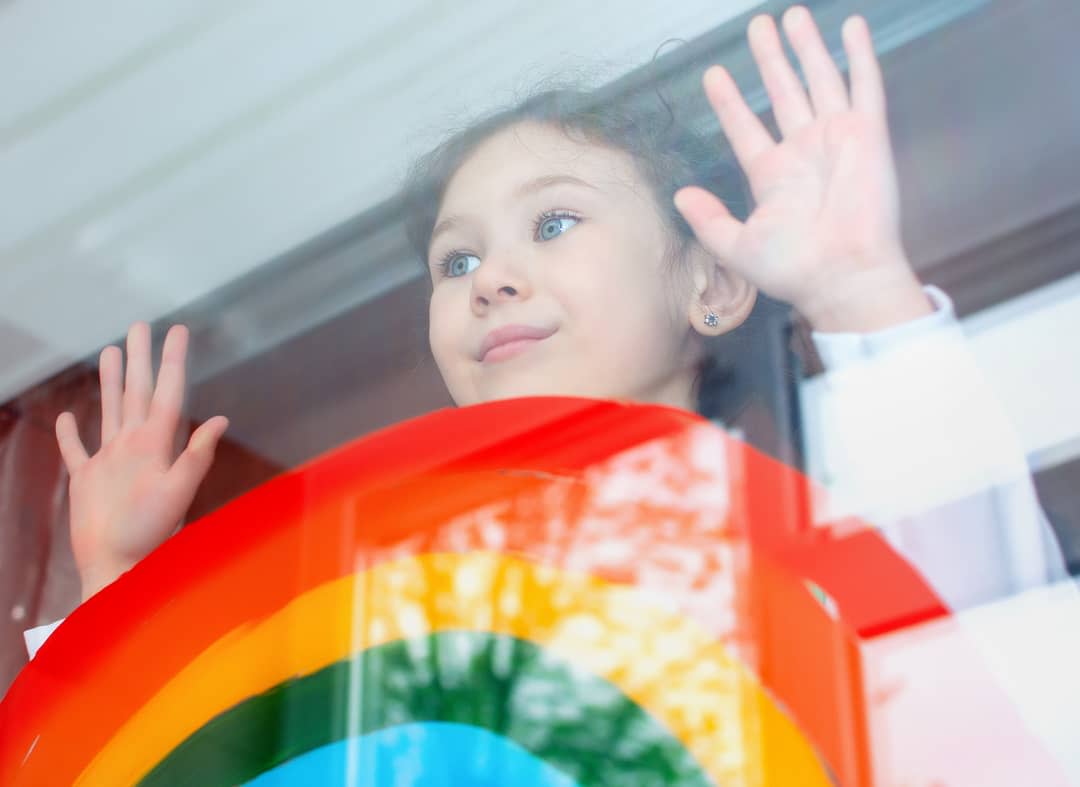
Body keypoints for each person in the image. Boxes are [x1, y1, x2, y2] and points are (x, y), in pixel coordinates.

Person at [27, 7, 1065, 658]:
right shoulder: (395, 607)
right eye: (457, 260)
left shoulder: (800, 542)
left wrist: (861, 291)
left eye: (555, 222)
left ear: (712, 286)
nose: (492, 280)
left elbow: (987, 646)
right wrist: (117, 581)